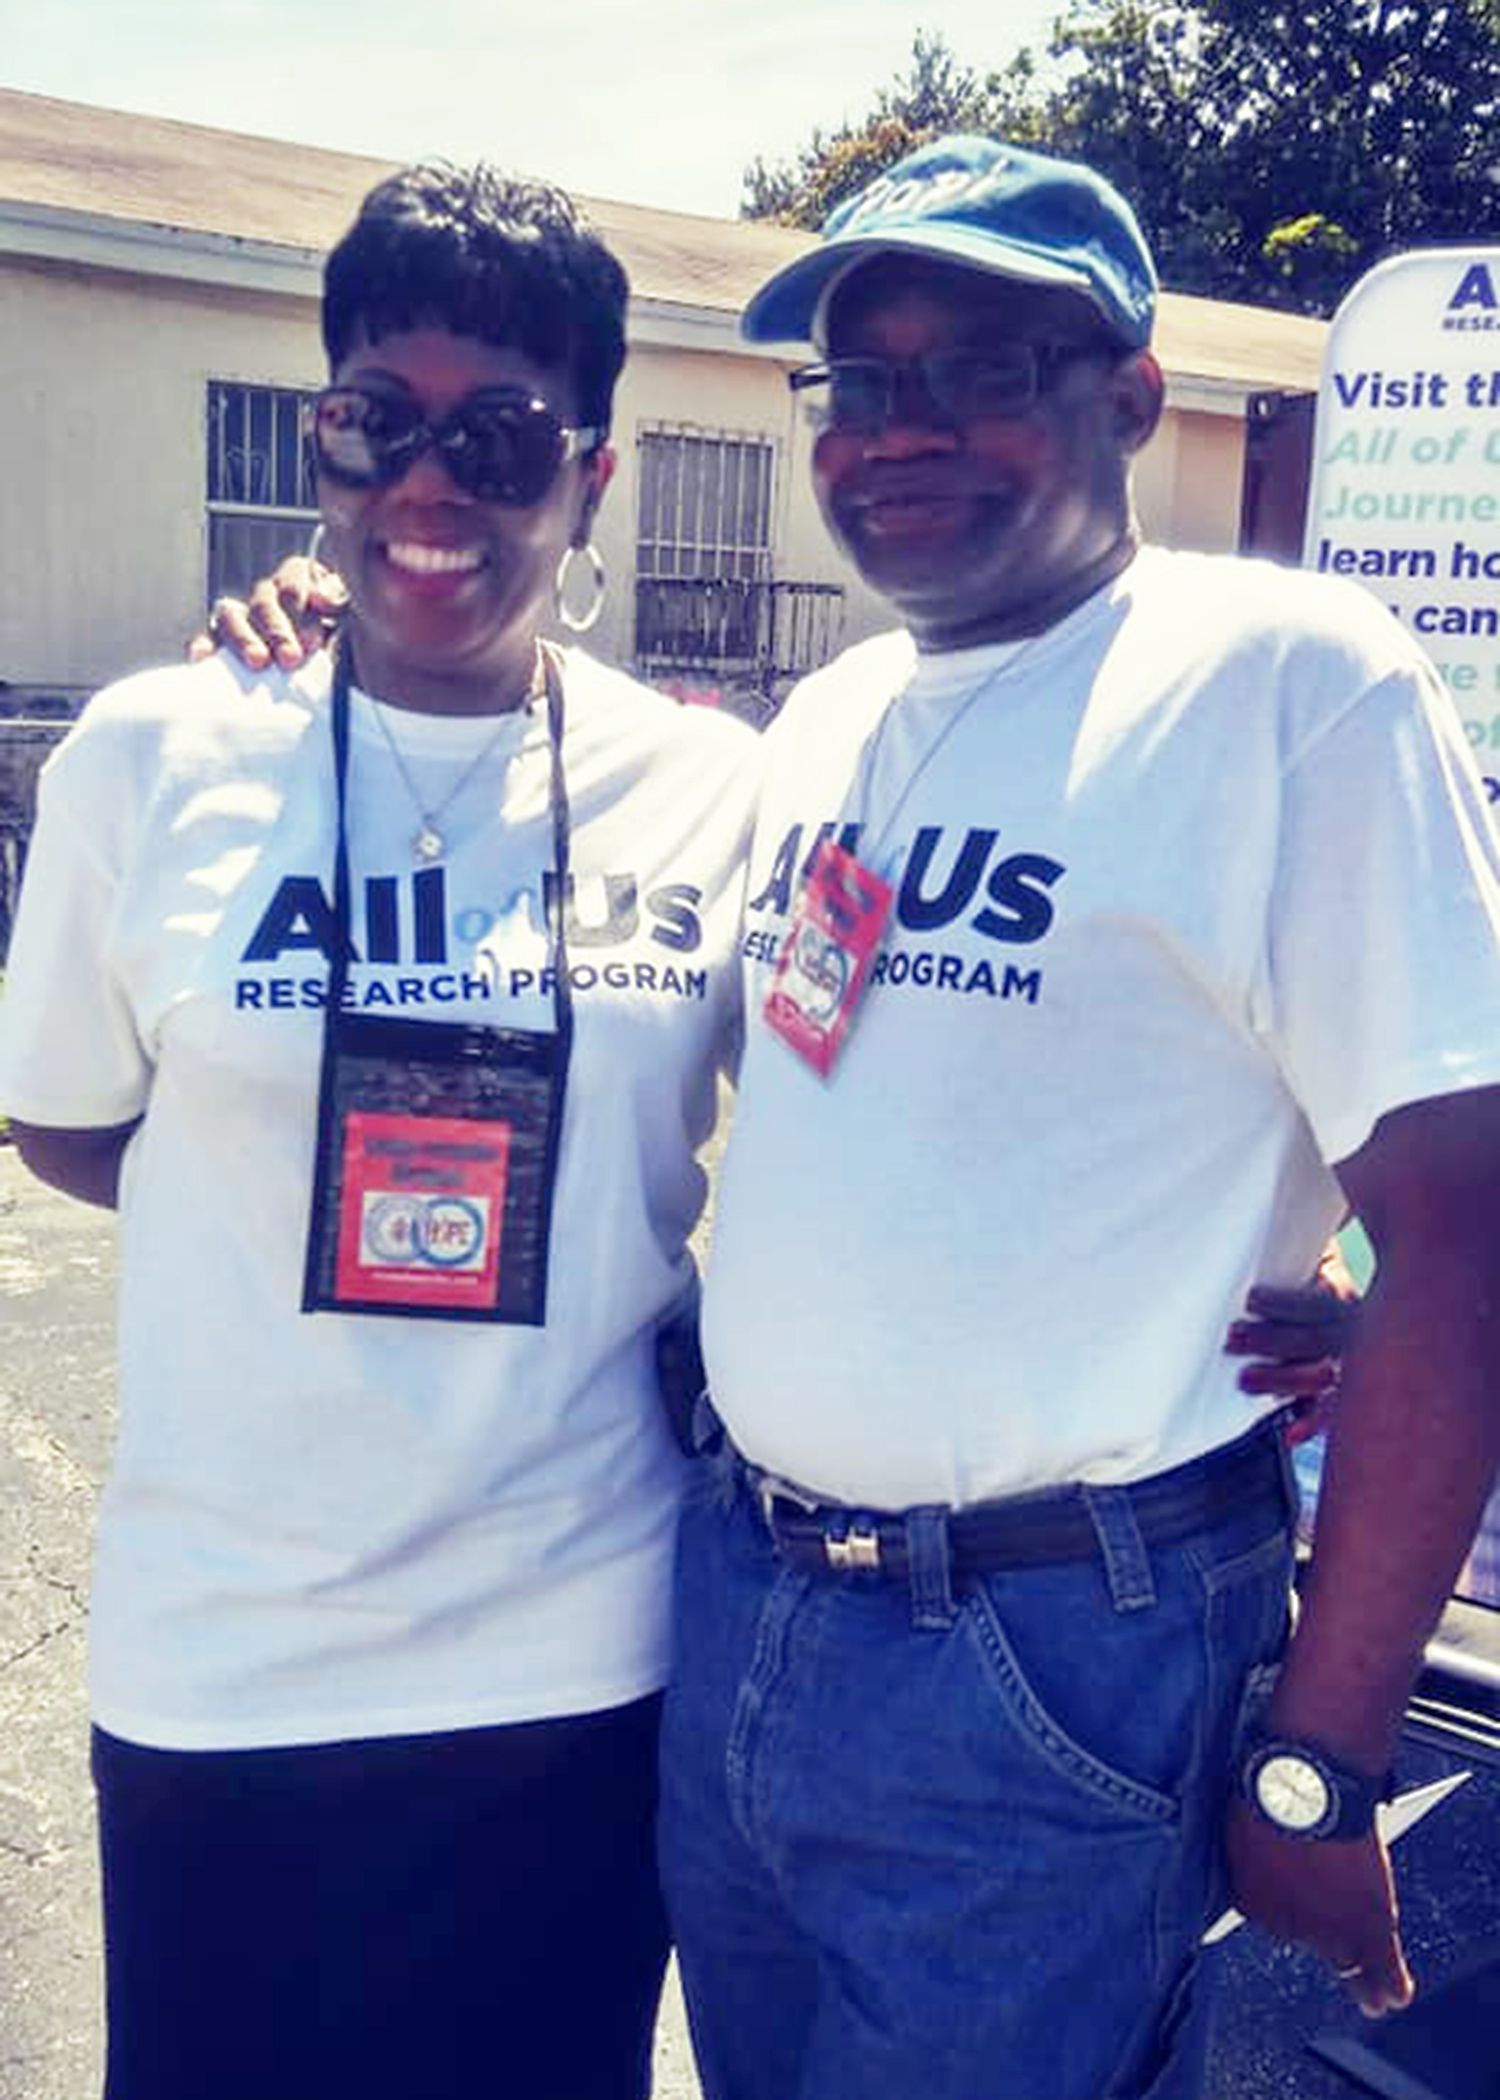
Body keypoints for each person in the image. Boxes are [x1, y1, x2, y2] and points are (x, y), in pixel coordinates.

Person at [646, 137, 1500, 2100]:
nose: (897, 429)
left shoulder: (1287, 684)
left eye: (979, 370)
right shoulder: (834, 713)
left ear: (1132, 398)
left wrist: (1320, 1757)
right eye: (858, 383)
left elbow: (1467, 1226)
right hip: (746, 1606)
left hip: (1046, 1663)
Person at [0, 161, 761, 2100]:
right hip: (226, 1659)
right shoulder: (151, 758)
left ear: (590, 474)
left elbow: (899, 1100)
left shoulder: (716, 788)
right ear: (320, 450)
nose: (431, 483)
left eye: (499, 437)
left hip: (577, 1662)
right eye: (374, 424)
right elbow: (71, 1130)